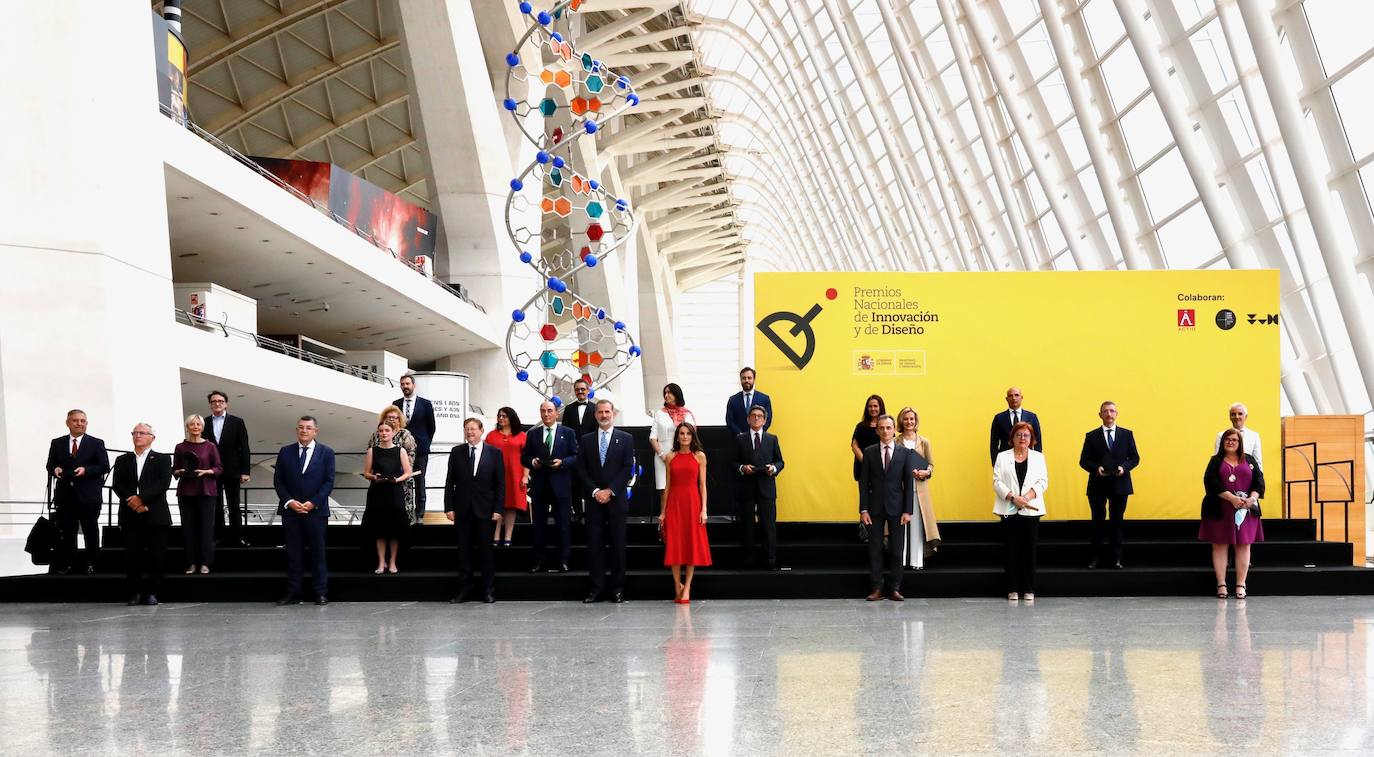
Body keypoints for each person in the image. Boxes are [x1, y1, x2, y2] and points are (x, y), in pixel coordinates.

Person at [577, 399, 636, 603]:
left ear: (614, 414)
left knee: (618, 545)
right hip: (594, 501)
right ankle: (596, 588)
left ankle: (617, 588)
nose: (603, 415)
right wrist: (595, 491)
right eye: (600, 412)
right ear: (595, 415)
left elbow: (627, 467)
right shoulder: (585, 440)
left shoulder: (626, 438)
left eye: (607, 412)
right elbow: (581, 469)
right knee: (594, 546)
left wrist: (610, 491)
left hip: (616, 500)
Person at [274, 416, 336, 606]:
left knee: (318, 554)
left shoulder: (327, 452)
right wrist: (290, 502)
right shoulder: (285, 452)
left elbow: (329, 482)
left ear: (316, 431)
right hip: (291, 512)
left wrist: (313, 503)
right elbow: (278, 481)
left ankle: (320, 593)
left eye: (308, 428)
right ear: (296, 430)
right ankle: (294, 593)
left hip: (316, 512)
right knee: (294, 555)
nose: (304, 431)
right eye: (301, 427)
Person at [111, 423, 173, 605]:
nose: (138, 435)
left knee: (157, 555)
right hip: (130, 513)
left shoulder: (162, 459)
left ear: (152, 437)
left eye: (142, 433)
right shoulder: (122, 460)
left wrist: (142, 499)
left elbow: (163, 483)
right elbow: (118, 484)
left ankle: (152, 592)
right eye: (135, 433)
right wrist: (134, 502)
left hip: (155, 513)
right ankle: (134, 592)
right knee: (132, 555)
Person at [1199, 428, 1265, 599]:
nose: (1230, 442)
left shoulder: (1249, 460)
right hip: (1219, 509)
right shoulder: (1215, 461)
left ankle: (1241, 584)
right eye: (1227, 439)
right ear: (1223, 442)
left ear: (1240, 442)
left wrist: (1251, 499)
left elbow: (1259, 483)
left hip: (1245, 510)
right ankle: (1221, 584)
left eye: (1234, 440)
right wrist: (1231, 499)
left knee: (1244, 545)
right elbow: (1210, 483)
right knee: (1220, 545)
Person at [445, 418, 504, 604]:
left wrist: (498, 509)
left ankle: (488, 590)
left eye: (473, 429)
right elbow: (449, 482)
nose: (469, 432)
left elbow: (500, 484)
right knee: (463, 551)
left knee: (486, 552)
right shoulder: (456, 452)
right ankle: (464, 589)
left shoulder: (494, 453)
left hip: (485, 510)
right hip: (462, 510)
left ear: (481, 431)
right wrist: (448, 507)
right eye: (466, 429)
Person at [858, 414, 915, 601]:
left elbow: (908, 483)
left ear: (894, 430)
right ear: (877, 431)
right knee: (875, 549)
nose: (885, 431)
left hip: (898, 509)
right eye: (881, 428)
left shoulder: (904, 453)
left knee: (897, 550)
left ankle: (895, 588)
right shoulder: (869, 452)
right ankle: (877, 588)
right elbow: (864, 483)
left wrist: (908, 510)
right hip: (874, 509)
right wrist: (863, 509)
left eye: (888, 428)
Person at [45, 409, 109, 574]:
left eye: (83, 421)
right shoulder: (57, 443)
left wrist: (86, 470)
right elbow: (50, 465)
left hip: (88, 494)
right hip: (65, 495)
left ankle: (92, 563)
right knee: (67, 530)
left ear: (86, 423)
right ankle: (68, 563)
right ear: (68, 423)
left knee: (90, 529)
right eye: (75, 420)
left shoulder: (96, 443)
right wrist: (55, 469)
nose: (79, 423)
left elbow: (103, 466)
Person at [1078, 401, 1140, 569]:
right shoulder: (1091, 436)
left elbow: (1135, 458)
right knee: (1097, 522)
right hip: (1098, 484)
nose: (1109, 414)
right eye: (1105, 411)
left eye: (1112, 411)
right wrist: (1095, 468)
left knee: (1117, 522)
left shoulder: (1127, 435)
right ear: (1100, 415)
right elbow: (1083, 460)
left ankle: (1116, 559)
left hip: (1120, 484)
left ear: (1117, 413)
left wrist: (1124, 468)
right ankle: (1095, 557)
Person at [521, 400, 579, 573]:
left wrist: (562, 462)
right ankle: (539, 560)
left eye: (549, 411)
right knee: (538, 526)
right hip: (540, 486)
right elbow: (524, 457)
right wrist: (533, 462)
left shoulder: (568, 433)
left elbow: (576, 456)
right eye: (543, 411)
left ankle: (563, 560)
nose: (546, 414)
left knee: (563, 525)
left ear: (556, 413)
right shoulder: (533, 434)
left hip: (560, 485)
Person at [994, 422, 1049, 601]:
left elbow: (1043, 481)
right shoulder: (1002, 457)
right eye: (1019, 435)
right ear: (1012, 438)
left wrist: (1026, 498)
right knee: (1011, 550)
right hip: (1009, 508)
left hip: (1031, 509)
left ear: (1032, 439)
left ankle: (1029, 588)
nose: (1022, 438)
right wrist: (1013, 498)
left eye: (1026, 435)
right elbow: (997, 482)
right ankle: (1012, 588)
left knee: (1029, 550)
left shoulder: (1038, 457)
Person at [661, 422, 711, 603]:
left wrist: (704, 509)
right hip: (674, 504)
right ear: (677, 436)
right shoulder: (670, 457)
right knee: (675, 546)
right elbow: (667, 486)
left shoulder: (700, 457)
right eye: (681, 433)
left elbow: (702, 485)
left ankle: (687, 586)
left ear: (692, 436)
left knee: (691, 546)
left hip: (693, 504)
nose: (684, 437)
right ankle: (677, 585)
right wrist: (663, 512)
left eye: (688, 434)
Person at [734, 405, 784, 570]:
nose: (756, 418)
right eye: (753, 415)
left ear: (765, 420)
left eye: (759, 416)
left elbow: (780, 461)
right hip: (746, 488)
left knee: (769, 525)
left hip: (766, 487)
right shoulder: (740, 439)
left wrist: (774, 469)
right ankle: (748, 560)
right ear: (748, 419)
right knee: (747, 525)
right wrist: (742, 468)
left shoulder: (772, 439)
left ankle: (770, 561)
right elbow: (732, 462)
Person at [174, 415, 222, 575]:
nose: (195, 427)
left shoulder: (210, 446)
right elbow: (175, 469)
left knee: (206, 528)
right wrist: (179, 471)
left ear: (202, 427)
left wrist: (207, 472)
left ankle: (205, 563)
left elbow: (219, 468)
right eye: (192, 424)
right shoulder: (180, 447)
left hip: (206, 491)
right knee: (188, 528)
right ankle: (192, 563)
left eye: (198, 424)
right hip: (186, 491)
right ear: (187, 427)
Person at [362, 421, 412, 574]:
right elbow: (366, 473)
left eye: (387, 430)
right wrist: (374, 477)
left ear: (393, 432)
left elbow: (408, 472)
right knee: (379, 528)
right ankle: (381, 561)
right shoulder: (372, 451)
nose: (384, 433)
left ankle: (392, 561)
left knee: (394, 528)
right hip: (377, 492)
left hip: (394, 491)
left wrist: (397, 479)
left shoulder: (401, 451)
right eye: (381, 431)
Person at [204, 390, 252, 548]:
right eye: (213, 401)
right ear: (210, 404)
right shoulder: (204, 422)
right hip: (212, 471)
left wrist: (245, 471)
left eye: (220, 401)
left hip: (233, 470)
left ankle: (237, 537)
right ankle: (218, 538)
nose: (217, 403)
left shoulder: (237, 421)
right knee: (215, 505)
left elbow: (244, 447)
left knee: (234, 505)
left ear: (226, 403)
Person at [896, 407, 941, 564]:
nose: (909, 422)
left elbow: (931, 465)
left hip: (919, 489)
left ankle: (916, 561)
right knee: (901, 524)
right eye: (906, 419)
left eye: (912, 419)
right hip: (901, 489)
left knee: (917, 525)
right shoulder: (896, 441)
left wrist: (925, 472)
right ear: (901, 421)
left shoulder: (924, 442)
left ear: (916, 421)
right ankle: (901, 560)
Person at [485, 407, 529, 547]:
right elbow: (485, 456)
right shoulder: (491, 435)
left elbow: (527, 458)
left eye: (504, 416)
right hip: (495, 475)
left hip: (515, 475)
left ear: (511, 418)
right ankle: (496, 535)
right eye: (499, 416)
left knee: (511, 506)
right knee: (497, 505)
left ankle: (508, 537)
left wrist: (525, 476)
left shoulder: (522, 435)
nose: (501, 418)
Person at [395, 374, 436, 522]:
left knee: (419, 481)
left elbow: (432, 427)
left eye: (407, 383)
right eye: (402, 384)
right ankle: (403, 511)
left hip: (420, 450)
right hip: (400, 450)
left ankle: (419, 514)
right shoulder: (395, 404)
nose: (405, 386)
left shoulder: (425, 404)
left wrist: (424, 444)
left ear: (413, 385)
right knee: (400, 480)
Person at [368, 405, 418, 523]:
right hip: (380, 481)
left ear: (399, 419)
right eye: (388, 417)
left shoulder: (405, 434)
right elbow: (370, 451)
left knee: (399, 515)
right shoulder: (377, 434)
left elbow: (411, 454)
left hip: (400, 480)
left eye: (394, 418)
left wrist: (399, 473)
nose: (391, 420)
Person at [562, 379, 599, 524]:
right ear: (574, 391)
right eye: (577, 389)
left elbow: (598, 430)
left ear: (588, 390)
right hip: (573, 453)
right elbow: (565, 430)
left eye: (583, 389)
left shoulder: (596, 408)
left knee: (590, 483)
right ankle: (577, 512)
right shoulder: (569, 409)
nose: (580, 392)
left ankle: (591, 513)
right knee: (574, 484)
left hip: (591, 454)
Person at [649, 383, 695, 493]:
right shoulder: (660, 413)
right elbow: (652, 438)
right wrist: (663, 456)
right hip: (662, 456)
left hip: (682, 455)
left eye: (669, 392)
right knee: (664, 490)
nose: (666, 395)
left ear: (676, 394)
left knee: (681, 488)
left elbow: (691, 435)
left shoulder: (686, 414)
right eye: (665, 393)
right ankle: (664, 511)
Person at [850, 395, 884, 541]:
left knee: (880, 499)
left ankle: (881, 532)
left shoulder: (885, 425)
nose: (873, 409)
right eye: (870, 406)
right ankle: (865, 532)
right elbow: (854, 445)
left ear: (880, 407)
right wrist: (866, 461)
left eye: (876, 406)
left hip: (882, 469)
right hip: (863, 467)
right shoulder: (861, 426)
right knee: (865, 498)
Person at [990, 386, 1043, 465]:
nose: (1014, 398)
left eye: (1016, 395)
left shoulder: (1032, 417)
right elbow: (994, 443)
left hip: (1027, 459)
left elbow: (1038, 441)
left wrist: (1037, 461)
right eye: (1011, 396)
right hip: (1006, 460)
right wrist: (995, 463)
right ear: (1006, 399)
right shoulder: (999, 418)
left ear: (1021, 397)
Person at [1213, 403, 1263, 469]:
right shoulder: (1221, 435)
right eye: (1233, 414)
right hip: (1226, 473)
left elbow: (1258, 461)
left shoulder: (1254, 436)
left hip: (1247, 475)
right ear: (1230, 417)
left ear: (1246, 416)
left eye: (1240, 414)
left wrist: (1259, 478)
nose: (1237, 417)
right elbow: (1217, 460)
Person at [725, 367, 773, 435]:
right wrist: (740, 434)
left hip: (758, 439)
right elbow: (729, 421)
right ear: (740, 380)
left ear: (754, 379)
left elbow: (768, 419)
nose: (746, 380)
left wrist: (756, 433)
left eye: (749, 378)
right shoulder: (733, 400)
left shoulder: (764, 399)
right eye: (744, 378)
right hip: (738, 439)